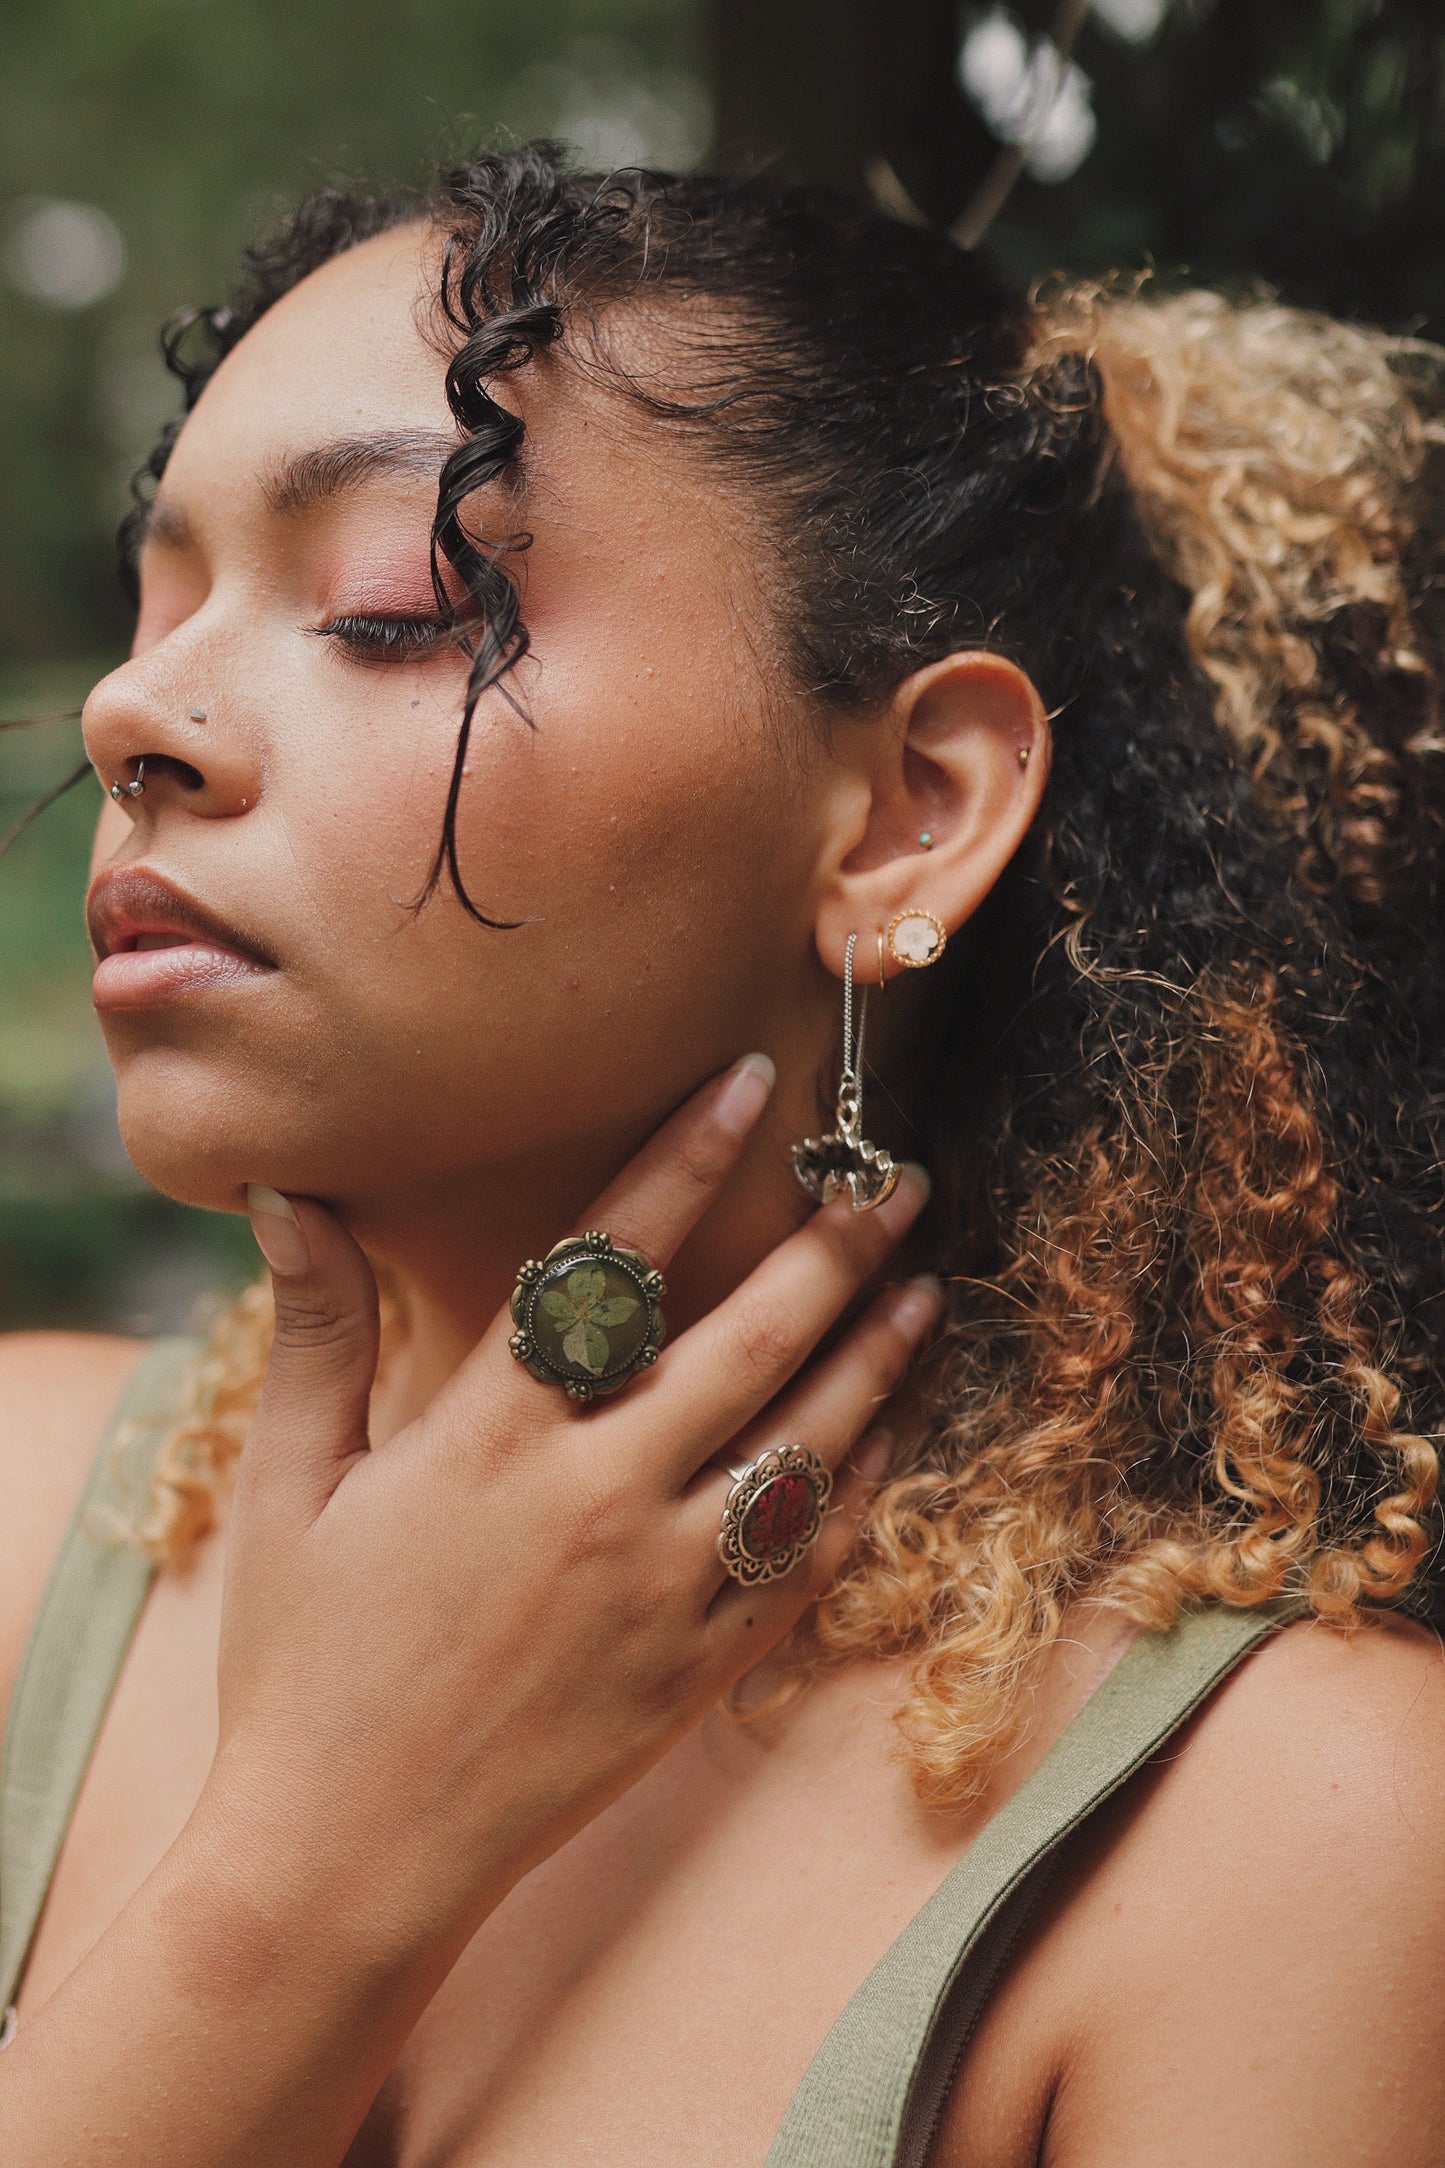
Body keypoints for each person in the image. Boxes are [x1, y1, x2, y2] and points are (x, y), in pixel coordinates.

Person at [2, 145, 1444, 2165]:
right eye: (158, 605)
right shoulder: (15, 1522)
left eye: (402, 609)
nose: (133, 710)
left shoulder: (1282, 1840)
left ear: (905, 817)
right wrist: (317, 1855)